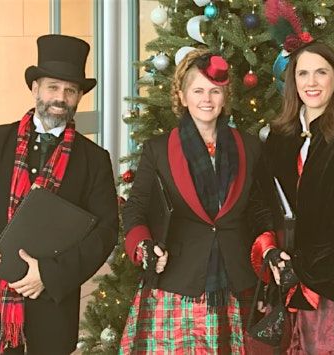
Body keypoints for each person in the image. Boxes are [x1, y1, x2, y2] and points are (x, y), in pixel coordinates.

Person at [0, 34, 119, 354]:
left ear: (79, 98)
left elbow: (106, 232)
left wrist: (50, 275)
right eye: (53, 87)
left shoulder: (95, 159)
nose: (61, 97)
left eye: (71, 90)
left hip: (52, 307)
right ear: (35, 88)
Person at [119, 48, 275, 354]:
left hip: (236, 279)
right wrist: (144, 246)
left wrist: (268, 248)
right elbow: (136, 208)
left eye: (215, 91)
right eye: (199, 90)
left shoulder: (249, 147)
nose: (207, 99)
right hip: (178, 279)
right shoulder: (159, 149)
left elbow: (259, 208)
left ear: (224, 96)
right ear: (182, 95)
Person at [252, 41, 334, 354]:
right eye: (303, 74)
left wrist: (304, 267)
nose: (311, 82)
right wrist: (271, 251)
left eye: (321, 72)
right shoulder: (279, 136)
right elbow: (261, 200)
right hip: (286, 279)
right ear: (293, 81)